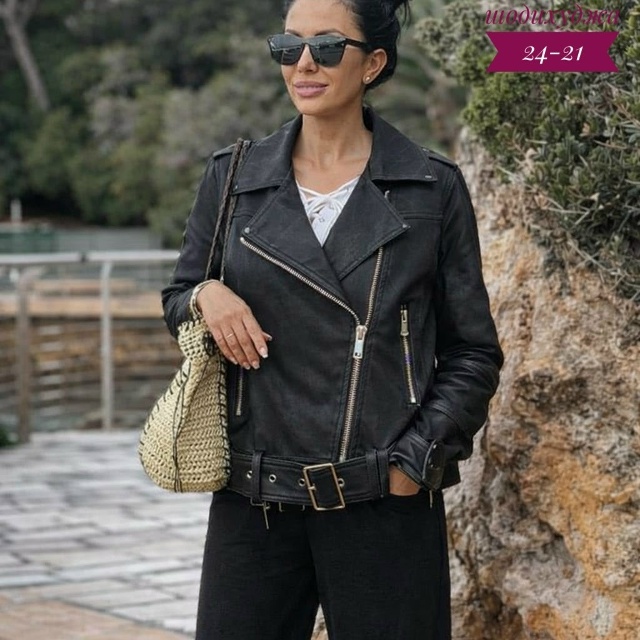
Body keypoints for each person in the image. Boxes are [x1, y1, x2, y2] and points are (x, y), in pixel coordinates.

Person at [162, 0, 503, 638]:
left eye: (325, 46)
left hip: (381, 500)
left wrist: (414, 463)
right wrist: (207, 294)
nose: (303, 64)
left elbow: (473, 354)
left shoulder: (431, 188)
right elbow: (177, 296)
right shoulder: (234, 178)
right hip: (254, 501)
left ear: (373, 63)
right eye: (287, 46)